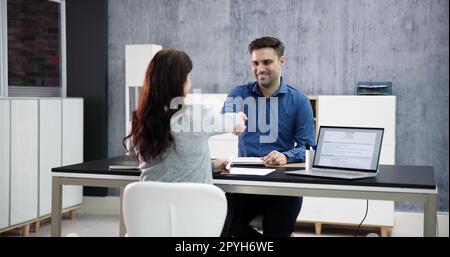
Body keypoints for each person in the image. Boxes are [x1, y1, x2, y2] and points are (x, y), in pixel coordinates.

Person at [221, 37, 315, 237]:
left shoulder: (299, 101)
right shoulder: (239, 93)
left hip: (283, 187)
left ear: (282, 61)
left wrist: (287, 156)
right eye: (255, 63)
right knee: (218, 221)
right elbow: (224, 117)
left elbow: (309, 147)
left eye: (266, 62)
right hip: (244, 185)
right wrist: (232, 119)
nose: (259, 68)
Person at [123, 48, 246, 183]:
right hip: (196, 203)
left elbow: (164, 168)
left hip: (153, 203)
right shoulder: (197, 116)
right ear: (181, 81)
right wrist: (239, 117)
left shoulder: (137, 123)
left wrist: (210, 165)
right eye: (189, 77)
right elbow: (233, 122)